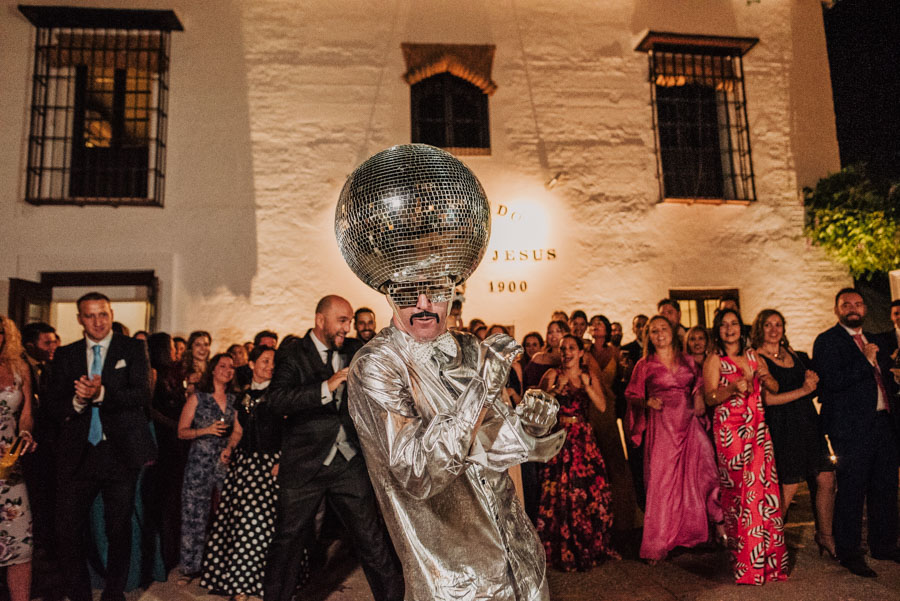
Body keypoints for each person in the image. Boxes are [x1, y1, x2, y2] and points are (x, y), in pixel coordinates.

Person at [339, 144, 563, 600]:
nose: (423, 305)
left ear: (453, 290)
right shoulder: (376, 364)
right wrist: (484, 387)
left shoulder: (466, 347)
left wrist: (526, 425)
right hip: (455, 578)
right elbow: (419, 471)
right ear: (387, 292)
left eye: (436, 290)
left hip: (518, 559)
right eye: (409, 292)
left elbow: (490, 443)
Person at [263, 295, 403, 601]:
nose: (347, 328)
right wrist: (325, 387)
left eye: (350, 321)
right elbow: (277, 400)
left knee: (372, 540)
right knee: (288, 541)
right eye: (342, 321)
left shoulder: (355, 350)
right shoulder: (293, 353)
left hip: (348, 463)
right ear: (320, 320)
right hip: (304, 465)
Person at [47, 292, 157, 601]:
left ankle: (113, 592)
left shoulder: (132, 348)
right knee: (67, 529)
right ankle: (80, 592)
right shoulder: (66, 354)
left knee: (118, 527)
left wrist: (101, 394)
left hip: (118, 452)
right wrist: (77, 401)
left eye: (104, 314)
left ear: (111, 314)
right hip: (78, 454)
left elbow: (141, 395)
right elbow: (53, 405)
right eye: (91, 315)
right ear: (80, 319)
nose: (98, 321)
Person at [813, 288, 900, 578]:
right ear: (837, 309)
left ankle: (884, 544)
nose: (853, 308)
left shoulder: (875, 340)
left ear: (865, 309)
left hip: (883, 422)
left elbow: (884, 378)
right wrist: (863, 360)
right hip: (851, 428)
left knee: (885, 487)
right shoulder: (827, 341)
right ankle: (849, 551)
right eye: (846, 304)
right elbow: (832, 382)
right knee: (851, 490)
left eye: (858, 304)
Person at [201, 346, 295, 601]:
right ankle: (240, 584)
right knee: (239, 525)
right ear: (252, 364)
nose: (270, 366)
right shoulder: (243, 397)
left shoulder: (279, 396)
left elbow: (291, 432)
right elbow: (238, 432)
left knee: (260, 525)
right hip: (244, 468)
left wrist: (284, 460)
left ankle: (260, 585)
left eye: (273, 362)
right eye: (264, 361)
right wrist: (229, 448)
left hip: (270, 467)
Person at [625, 316, 722, 563]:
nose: (659, 334)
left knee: (701, 471)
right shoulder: (644, 364)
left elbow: (699, 383)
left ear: (672, 332)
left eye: (664, 329)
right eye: (654, 331)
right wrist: (646, 401)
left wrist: (699, 396)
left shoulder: (687, 360)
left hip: (689, 422)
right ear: (649, 336)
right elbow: (631, 394)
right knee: (662, 481)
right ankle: (657, 543)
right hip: (663, 425)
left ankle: (696, 532)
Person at [703, 308, 787, 585]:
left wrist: (765, 375)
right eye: (724, 325)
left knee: (763, 491)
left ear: (742, 328)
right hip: (730, 431)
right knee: (741, 493)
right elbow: (709, 398)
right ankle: (746, 564)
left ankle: (767, 563)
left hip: (758, 426)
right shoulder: (715, 359)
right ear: (719, 330)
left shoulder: (753, 356)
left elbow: (770, 388)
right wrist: (731, 389)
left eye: (734, 324)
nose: (730, 329)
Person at [751, 310, 836, 558]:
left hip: (808, 421)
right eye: (768, 325)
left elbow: (809, 386)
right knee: (788, 486)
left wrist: (811, 380)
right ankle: (769, 545)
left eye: (778, 324)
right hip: (783, 425)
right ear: (760, 328)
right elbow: (768, 399)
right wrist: (804, 388)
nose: (774, 329)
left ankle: (825, 535)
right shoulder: (757, 357)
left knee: (827, 477)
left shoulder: (792, 354)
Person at [538, 334, 616, 570]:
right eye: (563, 349)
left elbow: (602, 406)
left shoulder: (588, 375)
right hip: (559, 437)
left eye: (572, 348)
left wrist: (588, 386)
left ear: (582, 352)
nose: (567, 353)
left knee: (587, 490)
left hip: (583, 438)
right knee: (560, 491)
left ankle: (589, 544)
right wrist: (553, 391)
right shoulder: (552, 375)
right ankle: (562, 546)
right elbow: (537, 408)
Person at [175, 353, 241, 584]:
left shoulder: (235, 400)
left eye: (231, 367)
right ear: (213, 369)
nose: (227, 370)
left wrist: (230, 448)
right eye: (222, 366)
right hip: (199, 463)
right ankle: (189, 568)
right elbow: (181, 431)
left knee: (227, 515)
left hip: (224, 462)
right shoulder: (198, 398)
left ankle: (220, 567)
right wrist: (206, 430)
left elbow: (237, 431)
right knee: (194, 514)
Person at [585, 314, 637, 535]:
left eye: (600, 324)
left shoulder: (615, 351)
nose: (596, 327)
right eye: (593, 324)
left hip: (609, 405)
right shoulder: (584, 351)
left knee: (614, 459)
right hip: (590, 406)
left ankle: (622, 518)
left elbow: (624, 378)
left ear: (607, 329)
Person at [0, 316, 37, 601]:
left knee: (20, 544)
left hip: (8, 466)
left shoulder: (18, 367)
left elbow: (25, 415)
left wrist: (25, 434)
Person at [146, 333, 188, 570]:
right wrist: (175, 425)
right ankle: (161, 555)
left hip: (174, 441)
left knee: (172, 498)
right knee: (162, 498)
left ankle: (170, 552)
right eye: (172, 347)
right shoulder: (153, 374)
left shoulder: (171, 374)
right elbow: (150, 409)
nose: (176, 351)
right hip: (163, 440)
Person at [179, 331, 211, 397]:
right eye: (198, 345)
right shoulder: (181, 369)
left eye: (206, 344)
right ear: (191, 347)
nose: (203, 348)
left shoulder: (214, 368)